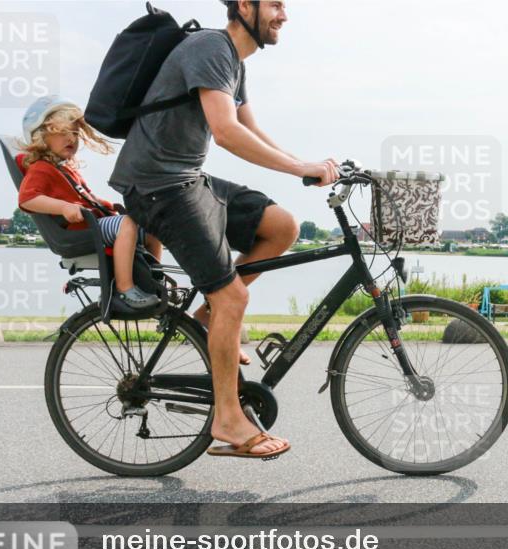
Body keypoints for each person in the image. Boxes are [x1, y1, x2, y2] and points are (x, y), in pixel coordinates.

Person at [110, 0, 338, 459]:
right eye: (275, 4)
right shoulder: (210, 47)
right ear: (246, 6)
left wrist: (304, 167)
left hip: (188, 179)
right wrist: (300, 166)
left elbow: (250, 126)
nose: (284, 16)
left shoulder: (234, 61)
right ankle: (228, 420)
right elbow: (227, 132)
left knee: (282, 226)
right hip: (157, 185)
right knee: (233, 295)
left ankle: (210, 318)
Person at [18, 96, 163, 310]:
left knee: (152, 226)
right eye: (63, 133)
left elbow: (83, 197)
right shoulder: (41, 168)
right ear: (41, 137)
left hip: (93, 223)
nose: (72, 139)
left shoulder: (64, 168)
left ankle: (154, 277)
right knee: (128, 224)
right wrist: (64, 207)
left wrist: (104, 204)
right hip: (83, 230)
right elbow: (27, 198)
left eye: (75, 133)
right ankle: (125, 288)